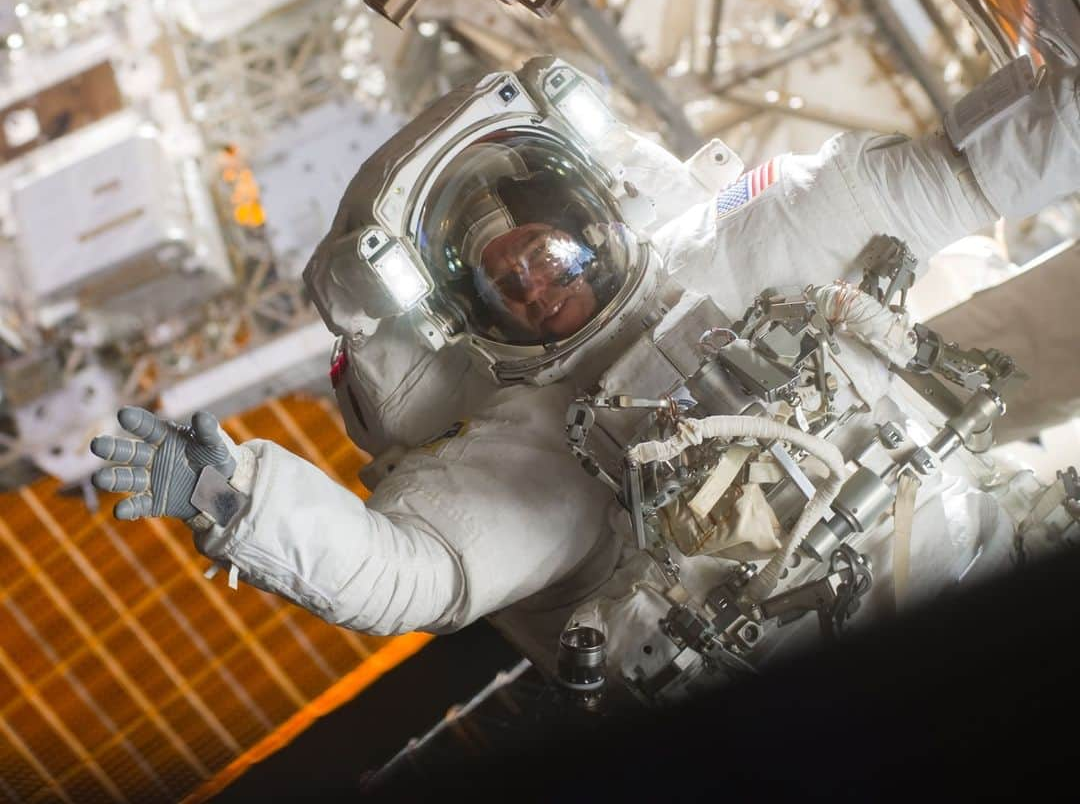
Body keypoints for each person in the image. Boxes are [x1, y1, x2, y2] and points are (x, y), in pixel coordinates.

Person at [90, 53, 1080, 700]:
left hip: (999, 550)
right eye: (504, 281)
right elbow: (406, 573)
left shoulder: (741, 249)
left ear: (591, 218)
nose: (534, 281)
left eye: (542, 251)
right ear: (474, 317)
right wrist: (232, 497)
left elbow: (964, 173)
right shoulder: (531, 452)